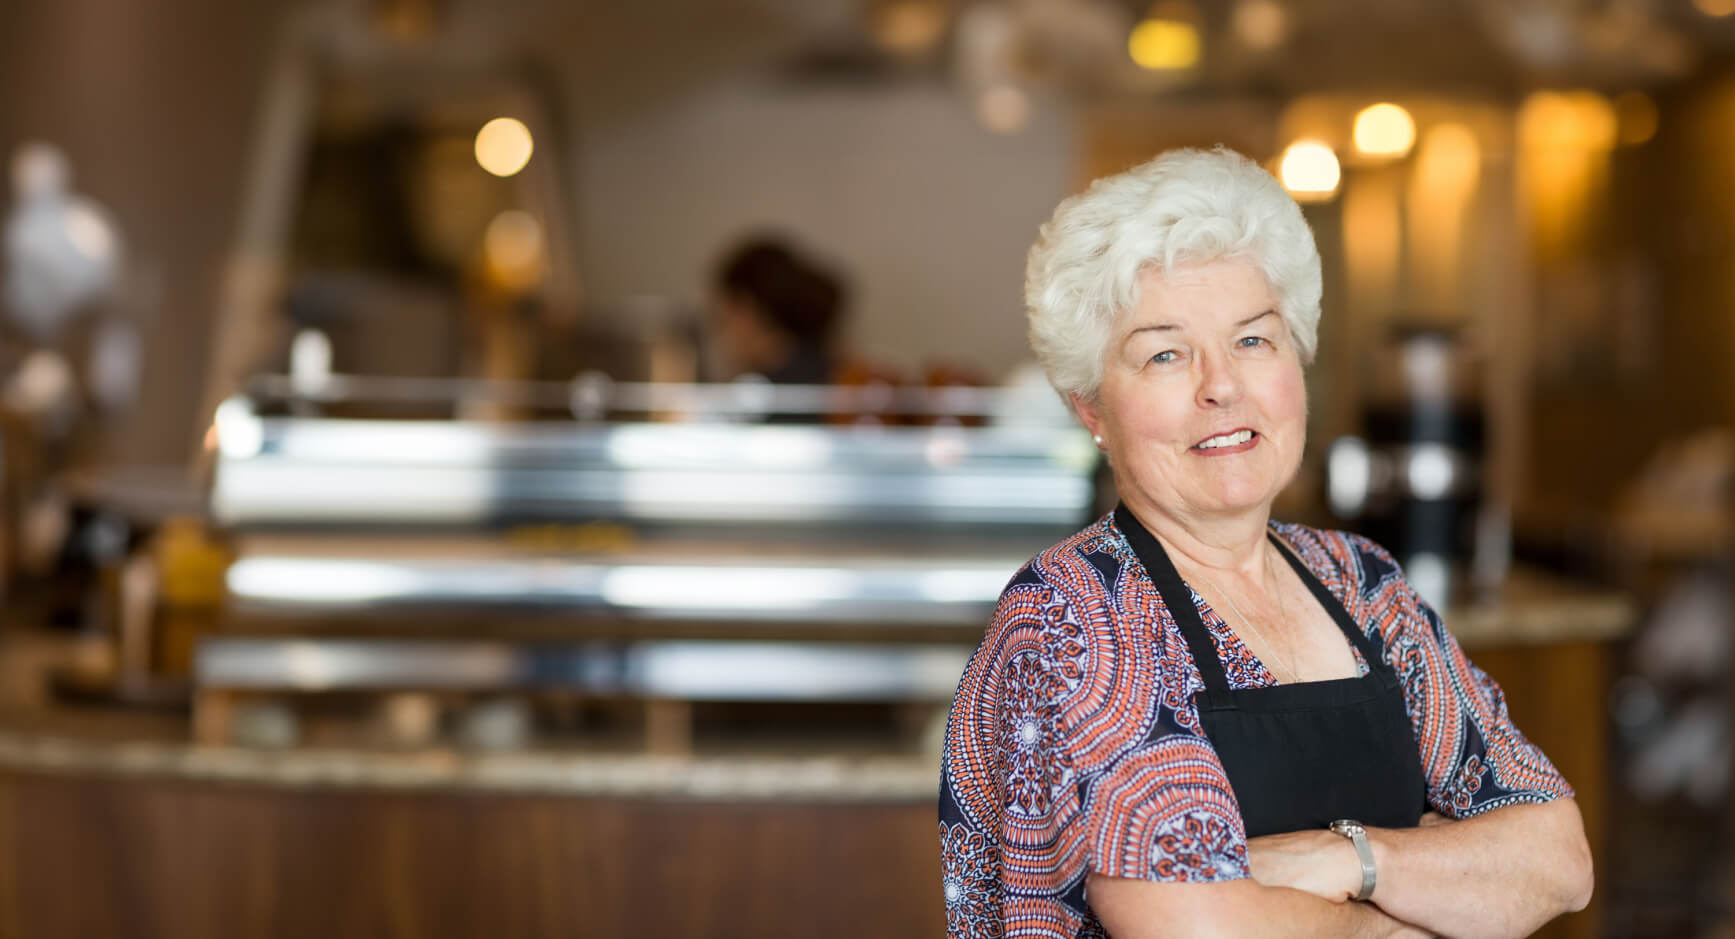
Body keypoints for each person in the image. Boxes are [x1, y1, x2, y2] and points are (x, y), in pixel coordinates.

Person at [938, 147, 1592, 938]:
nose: (1221, 385)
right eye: (1165, 353)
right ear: (1092, 411)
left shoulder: (1363, 582)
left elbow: (1557, 858)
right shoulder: (1073, 620)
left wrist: (1345, 861)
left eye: (1253, 341)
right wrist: (1424, 905)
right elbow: (1197, 927)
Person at [709, 236, 844, 386]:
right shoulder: (826, 369)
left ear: (747, 312)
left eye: (723, 322)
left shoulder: (765, 393)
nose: (722, 338)